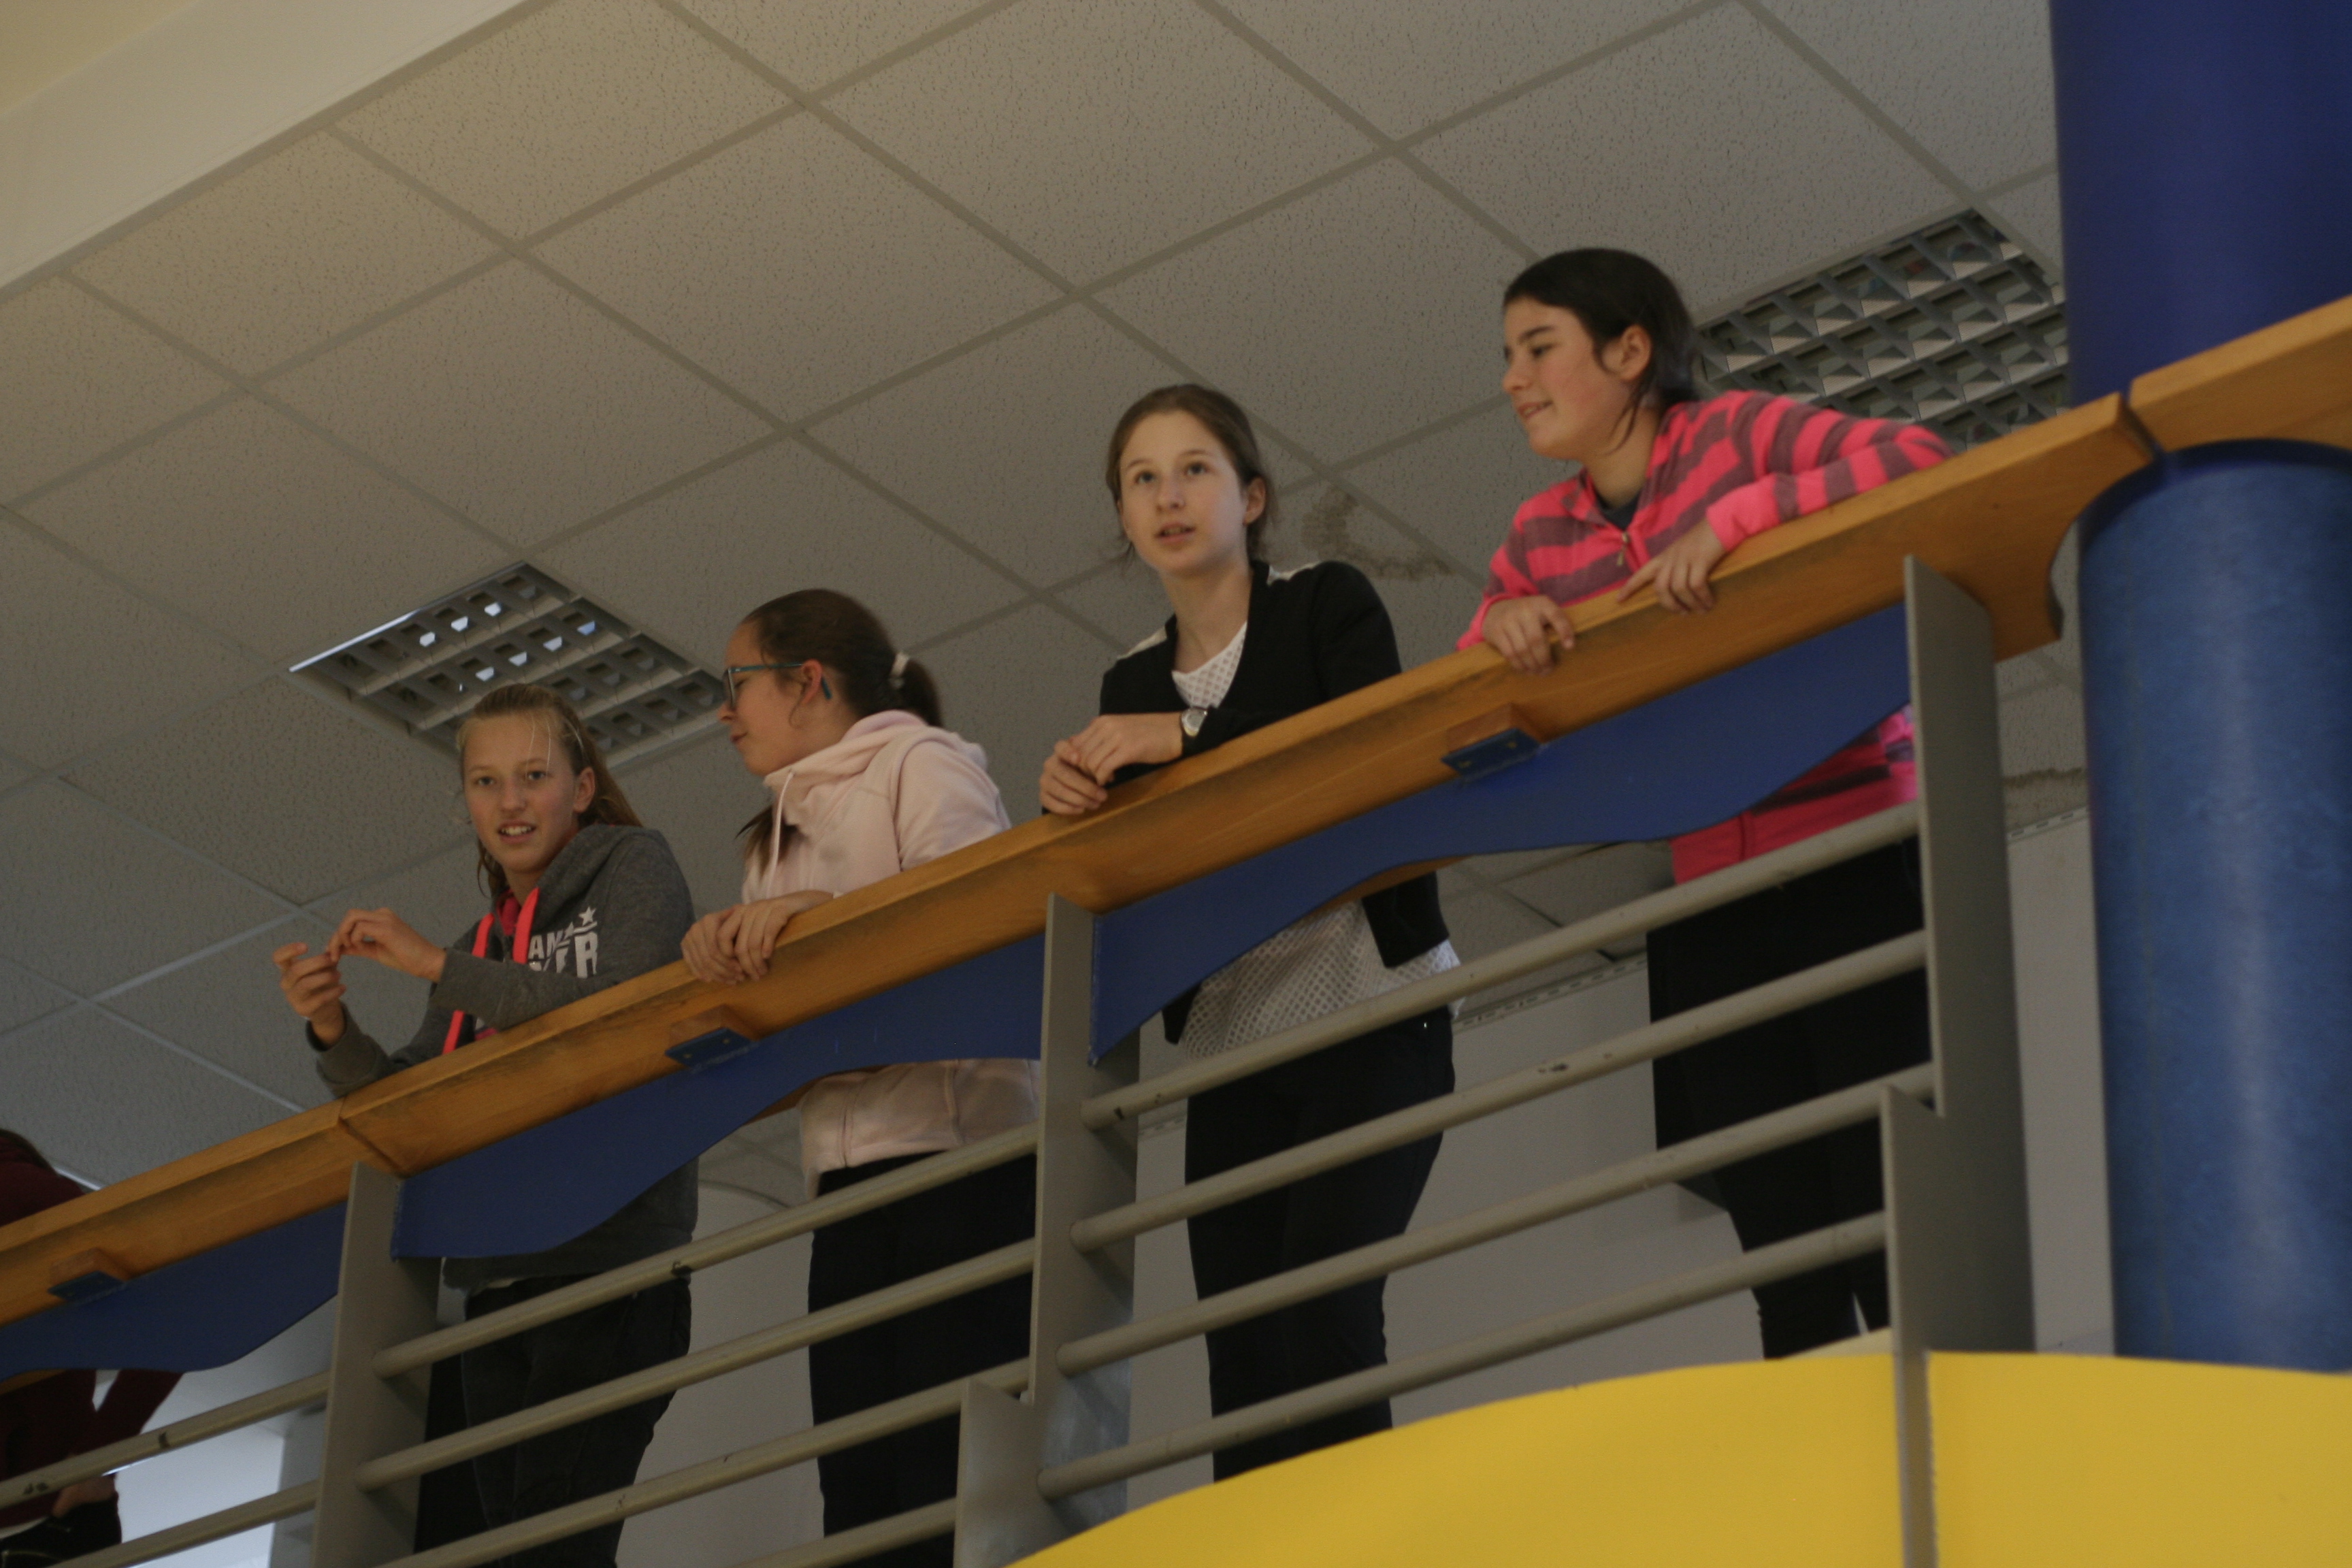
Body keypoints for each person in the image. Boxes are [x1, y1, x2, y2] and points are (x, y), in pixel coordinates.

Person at [1461, 247, 1951, 1357]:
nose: (1513, 379)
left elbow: (1918, 455)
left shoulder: (1732, 436)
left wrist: (1740, 522)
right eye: (1508, 355)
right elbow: (1474, 658)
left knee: (1890, 1212)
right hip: (1707, 898)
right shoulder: (1542, 530)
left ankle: (1935, 1437)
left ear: (1630, 350)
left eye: (1538, 348)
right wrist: (1499, 623)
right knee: (1781, 1240)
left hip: (1848, 857)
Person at [1041, 385, 1458, 1480]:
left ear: (1253, 497)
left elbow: (1359, 747)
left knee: (1323, 1303)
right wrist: (1075, 798)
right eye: (1142, 480)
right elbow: (1140, 863)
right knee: (1244, 1362)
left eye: (1195, 470)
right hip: (1235, 1042)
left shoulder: (1325, 602)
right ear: (1123, 517)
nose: (1168, 497)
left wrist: (1180, 734)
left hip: (1372, 1006)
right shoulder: (1129, 680)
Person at [272, 683, 696, 1565]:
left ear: (582, 788)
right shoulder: (481, 943)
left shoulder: (634, 863)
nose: (510, 803)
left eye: (534, 776)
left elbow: (621, 1012)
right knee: (513, 1546)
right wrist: (333, 1029)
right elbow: (406, 1101)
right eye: (486, 782)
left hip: (609, 1260)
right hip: (495, 1279)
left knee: (552, 1543)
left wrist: (439, 964)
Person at [681, 589, 1032, 1567]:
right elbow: (787, 1028)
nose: (724, 710)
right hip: (844, 1181)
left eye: (738, 682)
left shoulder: (925, 764)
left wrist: (813, 921)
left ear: (809, 683)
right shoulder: (773, 834)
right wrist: (721, 962)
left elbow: (975, 929)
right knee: (859, 1486)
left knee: (941, 1475)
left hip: (959, 1163)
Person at [0, 1130, 180, 1568]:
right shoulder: (27, 1189)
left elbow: (169, 1316)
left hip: (49, 1504)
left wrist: (99, 1457)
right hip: (51, 1502)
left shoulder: (18, 1188)